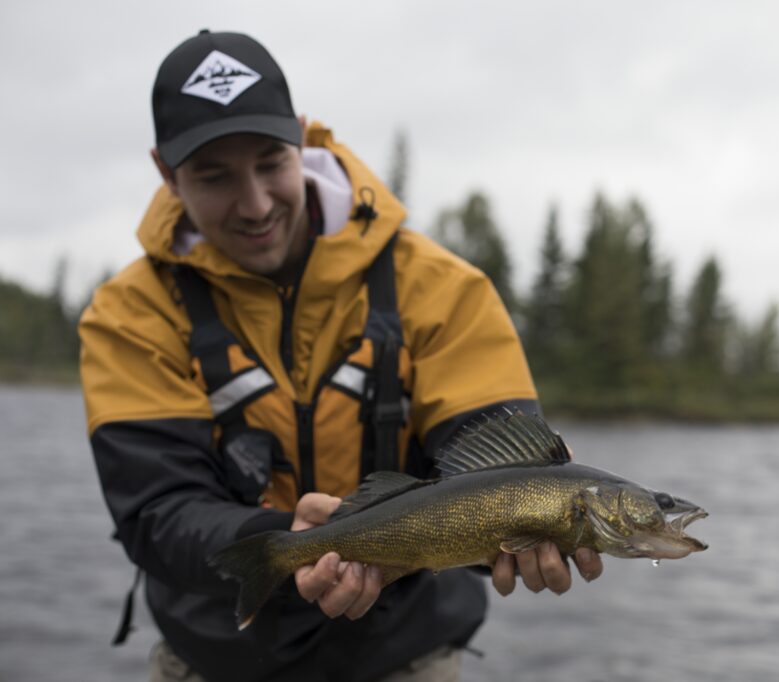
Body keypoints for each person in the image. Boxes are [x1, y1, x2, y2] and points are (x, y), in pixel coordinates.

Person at [79, 29, 603, 682]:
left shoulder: (445, 290)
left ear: (301, 138)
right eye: (215, 177)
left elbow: (491, 463)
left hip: (405, 656)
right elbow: (158, 514)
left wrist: (535, 523)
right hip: (212, 662)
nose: (256, 203)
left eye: (272, 162)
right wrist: (281, 541)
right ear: (165, 171)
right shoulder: (127, 315)